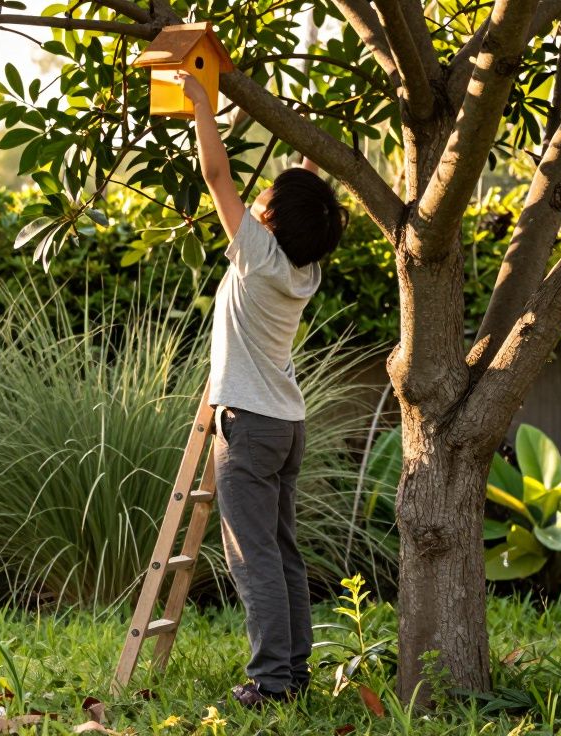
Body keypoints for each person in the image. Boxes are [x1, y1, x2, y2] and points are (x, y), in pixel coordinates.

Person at [172, 70, 348, 709]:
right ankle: (294, 673)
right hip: (287, 423)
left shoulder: (257, 253)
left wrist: (202, 108)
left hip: (247, 423)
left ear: (270, 218)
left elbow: (218, 179)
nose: (262, 201)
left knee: (254, 560)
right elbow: (306, 193)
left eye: (269, 200)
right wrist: (300, 132)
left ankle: (272, 682)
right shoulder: (306, 266)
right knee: (282, 551)